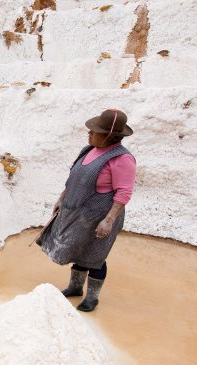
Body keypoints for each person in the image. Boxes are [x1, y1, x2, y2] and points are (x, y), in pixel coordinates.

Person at [37, 109, 136, 312]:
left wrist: (108, 220)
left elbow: (124, 193)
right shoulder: (88, 149)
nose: (89, 133)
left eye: (94, 131)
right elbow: (74, 177)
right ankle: (75, 287)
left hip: (101, 216)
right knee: (78, 250)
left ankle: (92, 297)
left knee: (95, 256)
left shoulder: (122, 159)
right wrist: (61, 199)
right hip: (80, 214)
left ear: (109, 136)